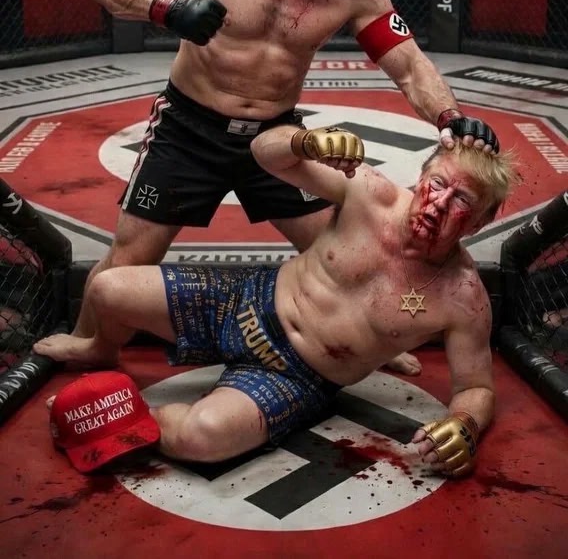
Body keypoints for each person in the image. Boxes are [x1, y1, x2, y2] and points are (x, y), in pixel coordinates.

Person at [74, 0, 499, 359]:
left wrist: (451, 118)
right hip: (189, 130)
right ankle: (89, 344)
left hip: (276, 140)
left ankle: (365, 342)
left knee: (348, 257)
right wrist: (167, 7)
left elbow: (408, 64)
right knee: (126, 262)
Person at [35, 124, 517, 478]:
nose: (438, 204)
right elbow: (263, 154)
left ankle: (124, 416)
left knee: (202, 438)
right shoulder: (370, 193)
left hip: (296, 376)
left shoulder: (463, 297)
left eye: (461, 201)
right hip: (246, 299)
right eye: (438, 184)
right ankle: (100, 348)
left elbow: (477, 386)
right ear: (420, 176)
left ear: (480, 222)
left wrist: (465, 424)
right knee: (107, 288)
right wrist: (304, 142)